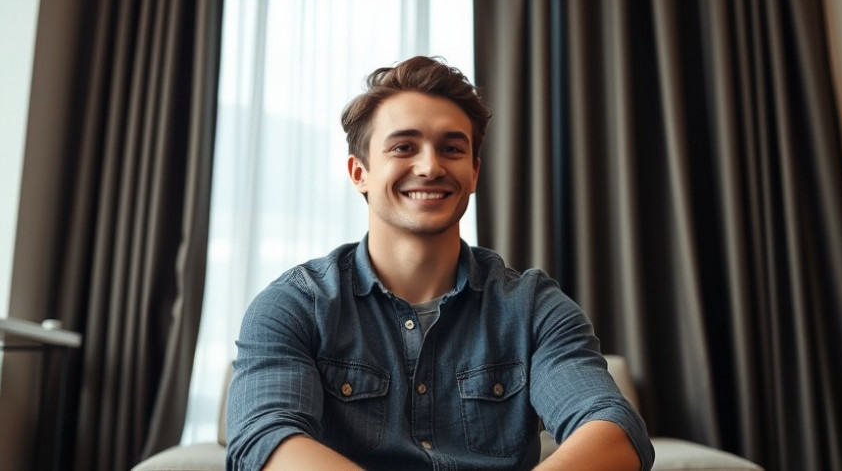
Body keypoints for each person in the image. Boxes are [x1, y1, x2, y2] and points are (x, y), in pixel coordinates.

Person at [225, 56, 654, 470]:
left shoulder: (534, 307)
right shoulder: (293, 304)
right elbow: (263, 438)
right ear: (360, 173)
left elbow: (613, 426)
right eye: (404, 146)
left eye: (451, 148)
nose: (430, 167)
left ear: (474, 172)